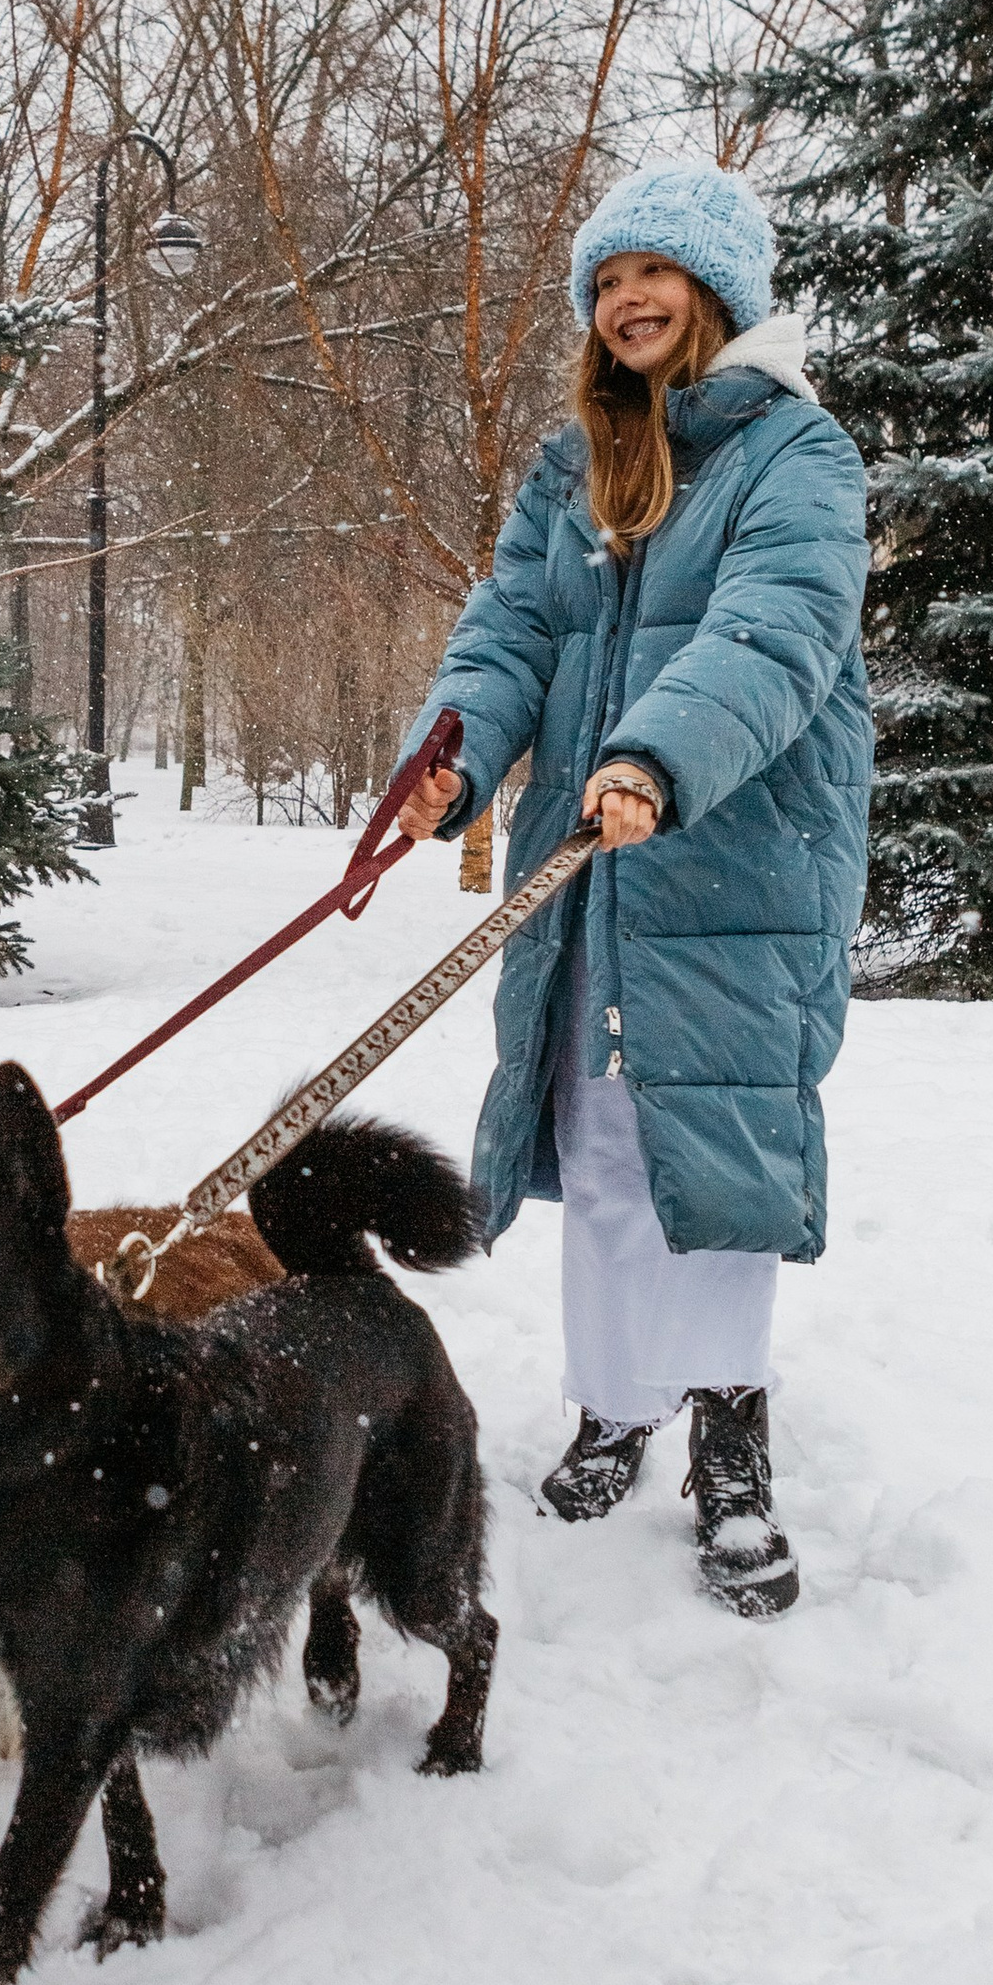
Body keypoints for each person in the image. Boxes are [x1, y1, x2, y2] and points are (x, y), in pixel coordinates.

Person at [395, 156, 871, 1614]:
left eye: (652, 274)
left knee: (711, 1156)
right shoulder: (576, 466)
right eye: (606, 283)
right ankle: (618, 1399)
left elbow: (774, 633)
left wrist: (655, 756)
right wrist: (452, 757)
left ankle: (729, 1431)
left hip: (735, 854)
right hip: (589, 862)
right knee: (596, 1141)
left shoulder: (798, 458)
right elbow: (513, 634)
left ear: (717, 287)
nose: (626, 301)